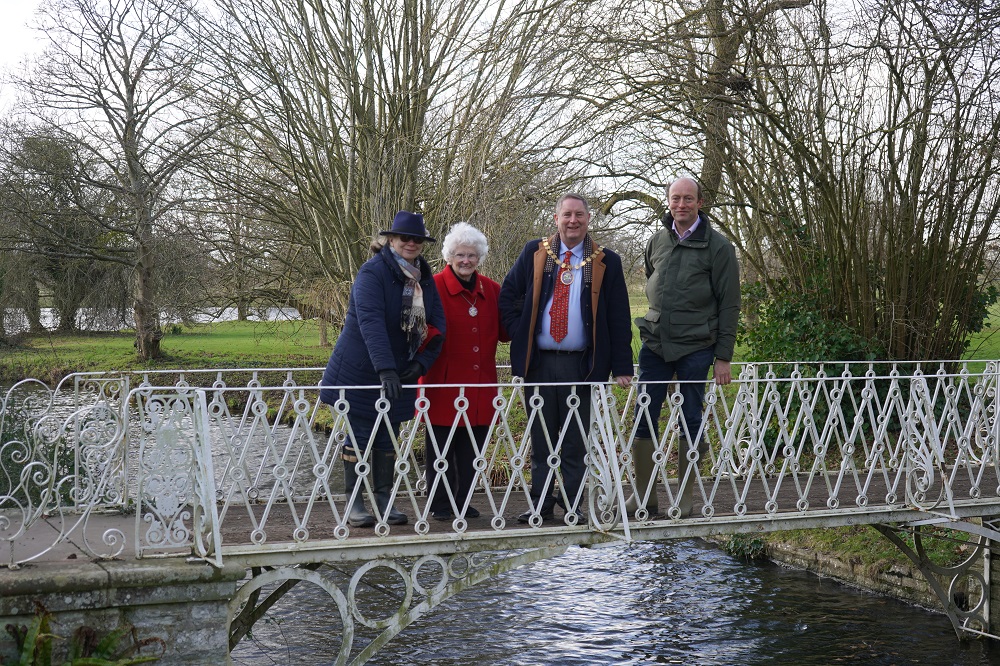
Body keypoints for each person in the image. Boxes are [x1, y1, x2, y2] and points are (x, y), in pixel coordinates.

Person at [498, 193, 633, 525]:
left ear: (588, 219)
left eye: (579, 215)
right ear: (556, 218)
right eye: (566, 215)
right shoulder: (535, 252)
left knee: (575, 440)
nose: (573, 221)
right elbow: (508, 296)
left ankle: (573, 506)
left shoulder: (606, 261)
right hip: (540, 363)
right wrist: (522, 330)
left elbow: (618, 316)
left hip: (582, 365)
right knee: (541, 439)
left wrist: (623, 366)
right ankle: (541, 506)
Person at [319, 211, 446, 527]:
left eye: (417, 239)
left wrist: (420, 364)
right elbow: (370, 323)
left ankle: (384, 499)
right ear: (391, 240)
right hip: (360, 371)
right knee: (360, 435)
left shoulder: (423, 278)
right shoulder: (372, 273)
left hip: (400, 373)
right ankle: (354, 504)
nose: (411, 243)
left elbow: (438, 324)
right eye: (405, 238)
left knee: (389, 437)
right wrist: (386, 369)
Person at [628, 176, 740, 518]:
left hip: (697, 345)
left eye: (688, 199)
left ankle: (686, 495)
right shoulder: (658, 241)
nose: (681, 205)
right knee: (643, 414)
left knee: (691, 416)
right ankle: (645, 495)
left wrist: (723, 357)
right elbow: (651, 277)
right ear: (668, 201)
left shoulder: (719, 248)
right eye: (675, 198)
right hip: (656, 342)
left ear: (700, 203)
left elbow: (729, 304)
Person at [419, 222, 509, 522]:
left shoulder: (493, 290)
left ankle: (463, 500)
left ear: (479, 257)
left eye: (471, 255)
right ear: (449, 256)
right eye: (460, 255)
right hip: (443, 383)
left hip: (481, 385)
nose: (466, 261)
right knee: (442, 450)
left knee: (472, 449)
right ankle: (441, 505)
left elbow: (507, 331)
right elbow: (419, 330)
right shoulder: (432, 287)